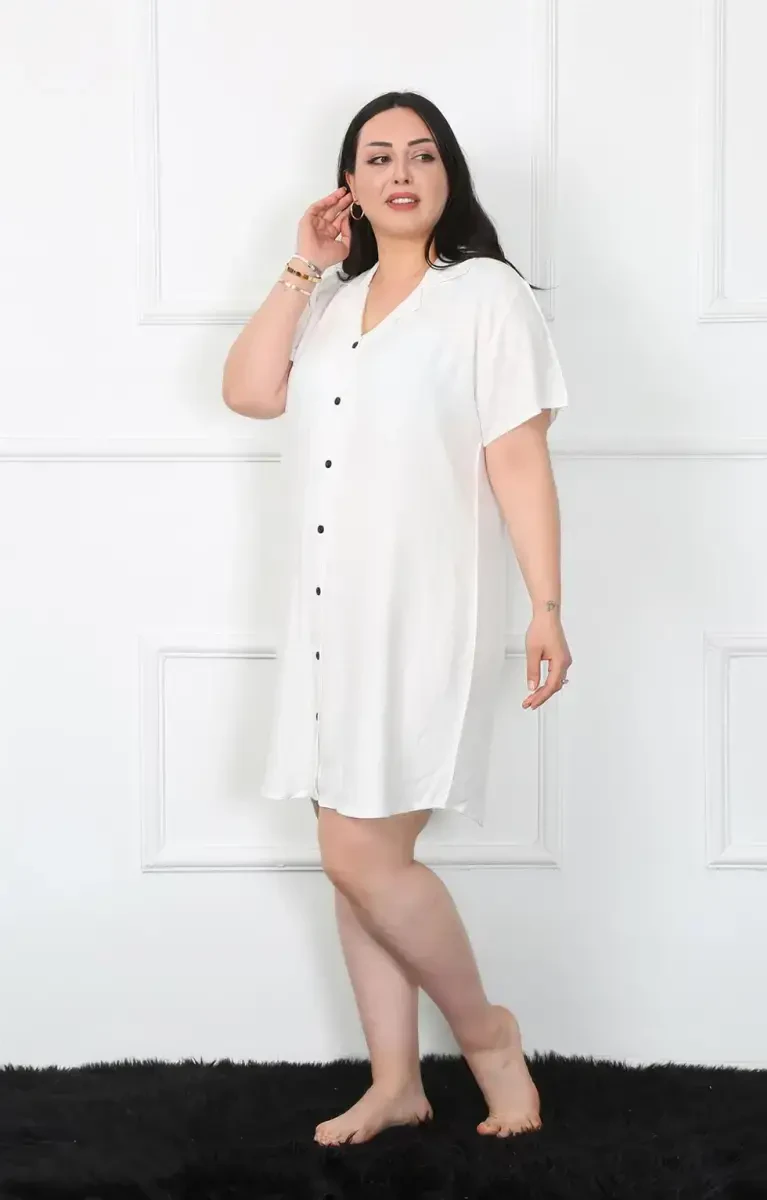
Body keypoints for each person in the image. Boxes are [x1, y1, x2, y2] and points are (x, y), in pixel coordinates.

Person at [222, 90, 572, 1146]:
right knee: (349, 857)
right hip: (324, 616)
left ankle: (487, 1036)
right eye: (377, 157)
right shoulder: (333, 301)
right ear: (349, 186)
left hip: (419, 610)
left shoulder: (485, 295)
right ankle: (395, 1083)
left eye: (421, 155)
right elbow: (248, 391)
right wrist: (303, 264)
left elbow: (517, 458)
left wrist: (547, 606)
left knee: (362, 854)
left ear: (447, 177)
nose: (401, 173)